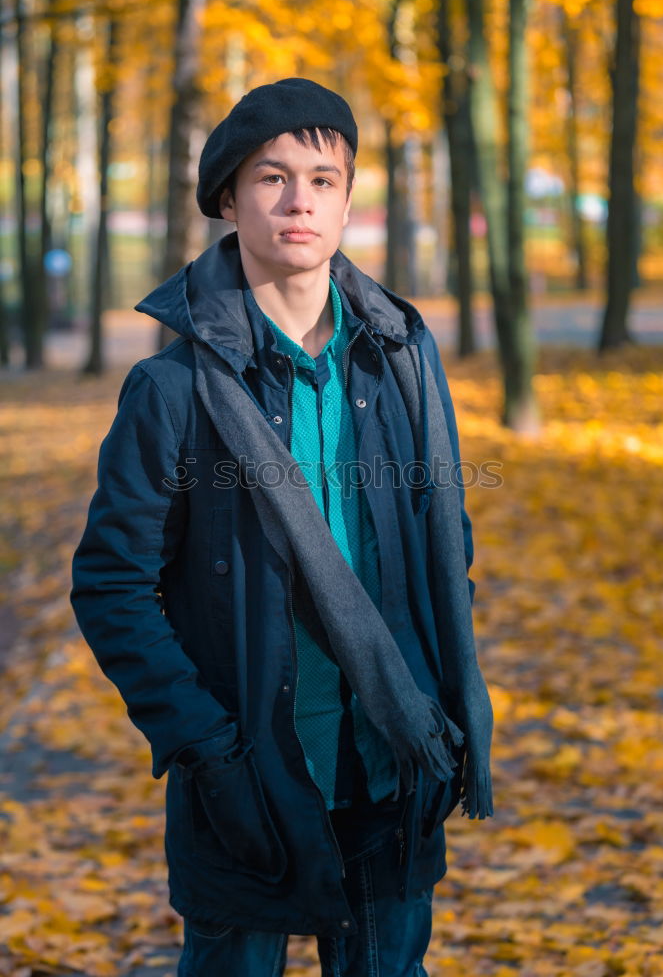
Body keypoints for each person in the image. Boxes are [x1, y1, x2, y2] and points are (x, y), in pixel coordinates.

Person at [70, 77, 493, 977]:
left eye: (323, 179)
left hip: (392, 755)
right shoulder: (173, 391)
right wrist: (206, 747)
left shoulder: (403, 360)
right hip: (248, 771)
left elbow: (442, 540)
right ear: (228, 198)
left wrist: (434, 694)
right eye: (271, 177)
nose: (299, 200)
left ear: (346, 202)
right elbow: (112, 585)